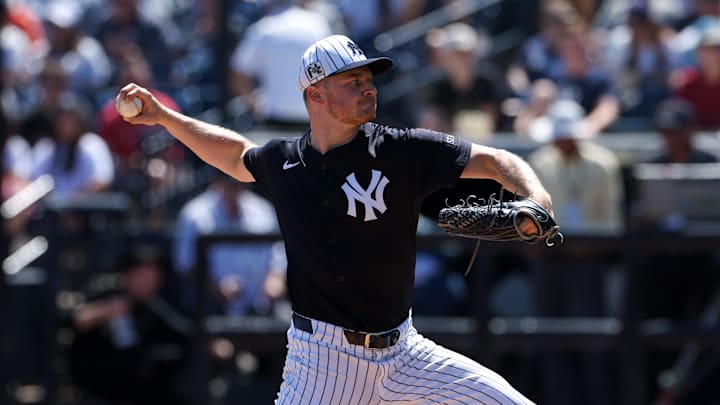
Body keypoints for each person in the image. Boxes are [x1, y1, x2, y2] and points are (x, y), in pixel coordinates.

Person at [117, 34, 554, 404]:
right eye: (354, 80)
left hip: (405, 352)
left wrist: (536, 196)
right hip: (323, 363)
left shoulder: (401, 149)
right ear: (316, 94)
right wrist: (162, 116)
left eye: (369, 79)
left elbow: (495, 159)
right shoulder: (286, 164)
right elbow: (233, 156)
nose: (370, 88)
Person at [66, 243, 192, 405]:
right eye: (143, 275)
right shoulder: (109, 293)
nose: (149, 281)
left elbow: (181, 333)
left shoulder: (154, 307)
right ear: (129, 274)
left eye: (153, 276)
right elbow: (76, 319)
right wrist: (108, 310)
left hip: (137, 390)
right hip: (97, 386)